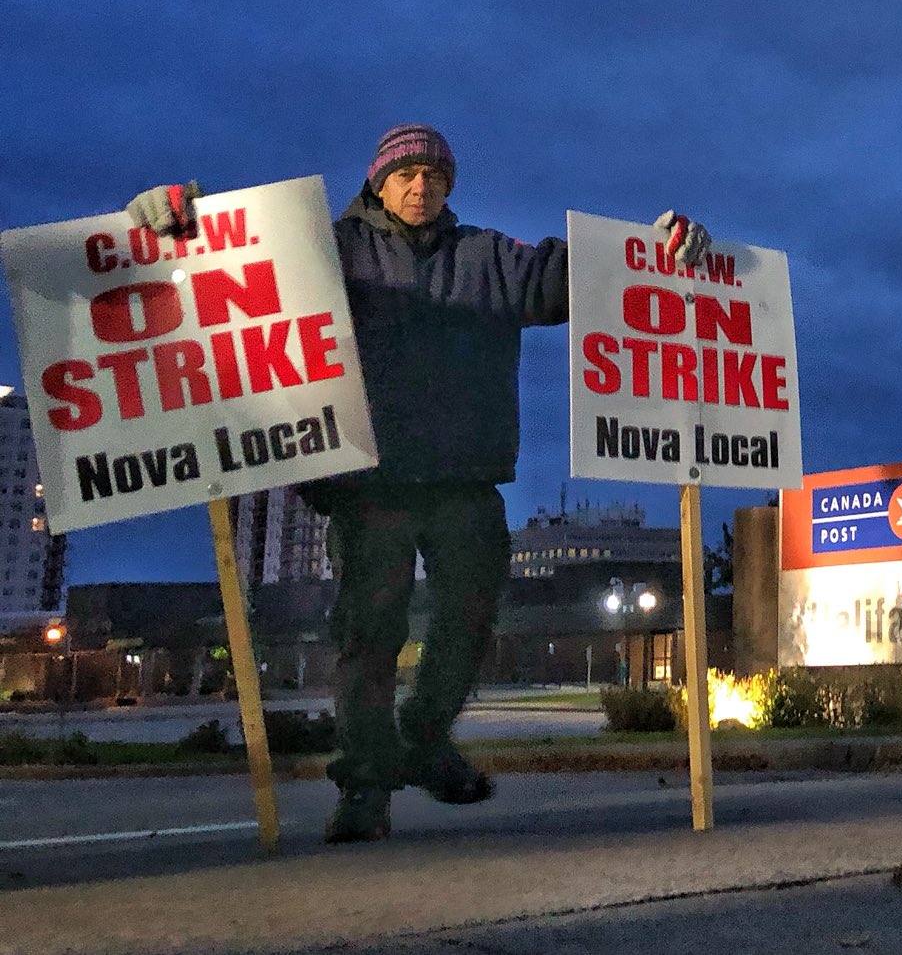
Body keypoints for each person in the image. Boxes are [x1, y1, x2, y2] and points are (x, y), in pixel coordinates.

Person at [128, 123, 710, 842]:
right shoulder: (333, 250)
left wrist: (655, 248)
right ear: (378, 182)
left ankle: (424, 735)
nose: (420, 185)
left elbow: (573, 277)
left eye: (435, 174)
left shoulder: (486, 257)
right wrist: (182, 213)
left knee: (471, 616)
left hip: (464, 476)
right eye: (405, 174)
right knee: (370, 637)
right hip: (370, 484)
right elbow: (237, 257)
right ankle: (366, 790)